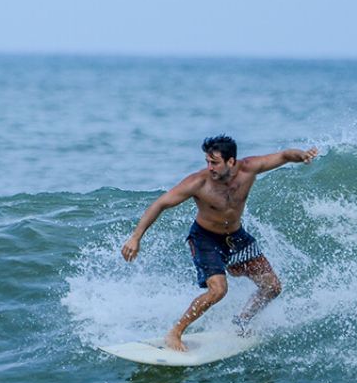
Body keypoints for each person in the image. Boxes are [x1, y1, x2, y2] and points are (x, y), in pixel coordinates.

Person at [122, 135, 318, 351]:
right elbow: (160, 204)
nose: (209, 167)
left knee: (272, 287)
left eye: (214, 162)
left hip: (236, 238)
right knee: (218, 291)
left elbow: (283, 156)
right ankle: (175, 332)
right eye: (207, 161)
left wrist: (301, 155)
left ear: (231, 161)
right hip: (205, 238)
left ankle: (242, 320)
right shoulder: (199, 182)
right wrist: (135, 237)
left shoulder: (249, 168)